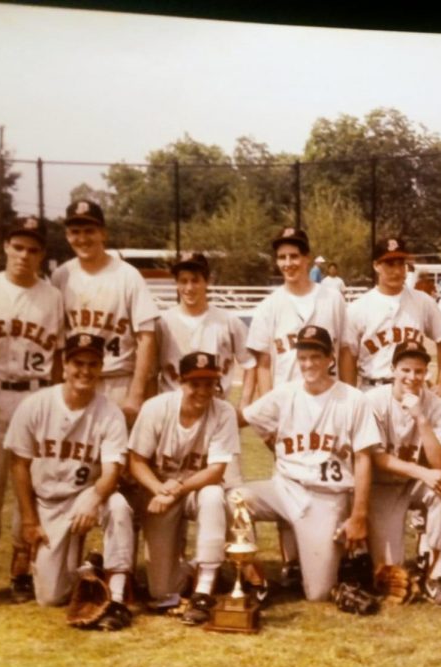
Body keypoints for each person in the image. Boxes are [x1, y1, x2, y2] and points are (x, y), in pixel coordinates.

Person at [238, 325, 380, 601]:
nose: (308, 363)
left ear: (330, 360)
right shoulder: (285, 393)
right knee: (235, 499)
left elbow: (364, 459)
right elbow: (245, 418)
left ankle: (345, 560)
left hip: (326, 497)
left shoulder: (353, 399)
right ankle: (253, 577)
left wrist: (359, 515)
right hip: (284, 488)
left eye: (316, 356)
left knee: (318, 594)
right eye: (303, 357)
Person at [6, 334, 134, 630]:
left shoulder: (109, 411)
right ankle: (91, 566)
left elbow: (113, 468)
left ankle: (116, 597)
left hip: (87, 497)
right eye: (78, 363)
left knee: (117, 506)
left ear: (101, 367)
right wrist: (29, 520)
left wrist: (95, 496)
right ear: (64, 365)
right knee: (51, 597)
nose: (85, 371)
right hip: (48, 502)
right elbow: (19, 465)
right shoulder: (35, 405)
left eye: (92, 364)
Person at [0, 216, 65, 601]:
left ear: (42, 255)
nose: (25, 255)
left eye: (34, 249)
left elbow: (57, 354)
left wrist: (54, 400)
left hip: (35, 395)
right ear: (6, 246)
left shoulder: (52, 296)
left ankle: (21, 561)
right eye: (18, 246)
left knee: (31, 483)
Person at [128, 352, 236, 625]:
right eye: (194, 383)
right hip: (159, 492)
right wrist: (159, 490)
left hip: (194, 488)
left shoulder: (223, 412)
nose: (202, 390)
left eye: (209, 383)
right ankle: (196, 566)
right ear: (180, 381)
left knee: (213, 496)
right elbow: (136, 461)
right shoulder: (156, 408)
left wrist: (176, 489)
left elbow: (216, 471)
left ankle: (204, 589)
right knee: (163, 591)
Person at [365, 341, 441, 607]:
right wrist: (422, 472)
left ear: (427, 373)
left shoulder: (437, 406)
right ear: (393, 369)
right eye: (405, 370)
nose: (412, 377)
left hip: (416, 483)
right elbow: (377, 457)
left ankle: (437, 576)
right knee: (390, 572)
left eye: (419, 371)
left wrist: (421, 418)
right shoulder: (373, 401)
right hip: (382, 486)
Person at [51, 200, 159, 426]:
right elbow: (55, 339)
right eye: (75, 232)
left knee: (115, 458)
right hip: (74, 382)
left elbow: (146, 338)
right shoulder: (61, 276)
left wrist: (136, 394)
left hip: (116, 381)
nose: (82, 238)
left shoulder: (127, 275)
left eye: (89, 231)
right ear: (67, 235)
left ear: (103, 233)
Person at [155, 252, 255, 486]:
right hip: (174, 416)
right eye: (183, 281)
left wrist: (245, 404)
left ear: (207, 281)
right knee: (170, 491)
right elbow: (151, 372)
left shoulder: (226, 321)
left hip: (216, 413)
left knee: (232, 490)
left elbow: (250, 362)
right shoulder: (163, 323)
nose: (189, 287)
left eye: (195, 280)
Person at [247, 227, 350, 394]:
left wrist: (349, 401)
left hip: (330, 402)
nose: (288, 264)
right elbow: (264, 366)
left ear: (307, 258)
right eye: (282, 257)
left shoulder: (333, 299)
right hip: (287, 404)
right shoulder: (267, 307)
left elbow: (345, 352)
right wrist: (269, 409)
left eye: (294, 256)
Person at [345, 237, 441, 396]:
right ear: (376, 266)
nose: (397, 271)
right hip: (374, 388)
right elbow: (348, 356)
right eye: (389, 264)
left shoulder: (423, 301)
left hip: (413, 389)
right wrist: (351, 398)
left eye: (401, 264)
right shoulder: (358, 308)